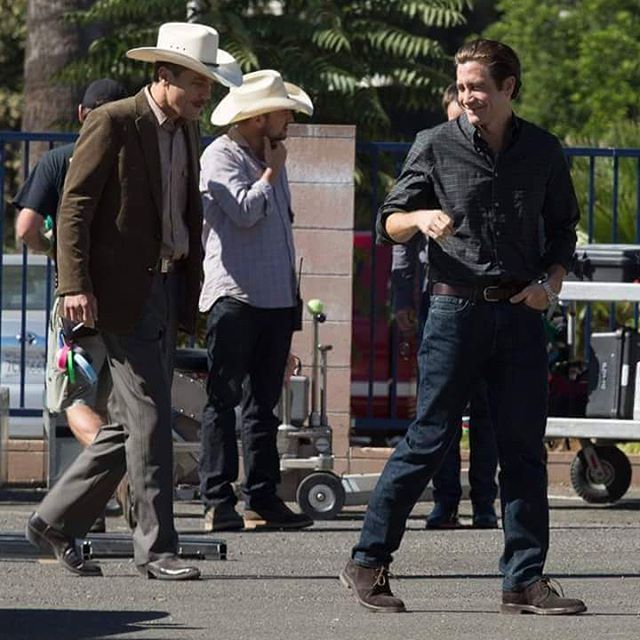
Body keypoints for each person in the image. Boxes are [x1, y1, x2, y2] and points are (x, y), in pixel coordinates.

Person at [340, 39, 586, 615]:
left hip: (520, 313)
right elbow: (387, 222)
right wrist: (418, 216)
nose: (467, 96)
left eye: (477, 86)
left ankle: (523, 581)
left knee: (523, 449)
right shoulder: (434, 144)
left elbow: (563, 232)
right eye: (461, 86)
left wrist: (549, 286)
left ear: (508, 87)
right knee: (430, 439)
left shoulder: (543, 150)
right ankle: (368, 561)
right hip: (455, 312)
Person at [25, 21, 241, 581]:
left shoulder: (187, 130)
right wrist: (74, 285)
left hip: (166, 289)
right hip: (121, 294)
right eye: (197, 82)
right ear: (163, 75)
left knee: (130, 423)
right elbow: (74, 208)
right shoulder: (115, 120)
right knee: (150, 417)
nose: (205, 93)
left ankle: (53, 520)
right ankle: (157, 548)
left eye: (208, 83)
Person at [198, 69, 314, 532]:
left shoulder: (271, 155)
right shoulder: (220, 155)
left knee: (264, 405)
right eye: (283, 112)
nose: (289, 120)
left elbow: (280, 230)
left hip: (275, 299)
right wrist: (271, 173)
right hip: (236, 296)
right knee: (222, 400)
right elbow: (245, 211)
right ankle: (217, 500)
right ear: (259, 117)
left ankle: (262, 497)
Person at [14, 78, 128, 533]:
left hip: (77, 303)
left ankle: (120, 477)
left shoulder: (60, 160)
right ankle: (94, 505)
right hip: (129, 300)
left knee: (74, 401)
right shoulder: (134, 163)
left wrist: (52, 249)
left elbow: (25, 228)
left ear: (82, 114)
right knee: (110, 403)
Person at [391, 83, 498, 530]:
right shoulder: (433, 152)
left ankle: (485, 502)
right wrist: (401, 300)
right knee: (441, 408)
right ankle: (446, 500)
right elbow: (401, 236)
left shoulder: (493, 156)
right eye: (455, 118)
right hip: (437, 294)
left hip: (485, 294)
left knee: (487, 408)